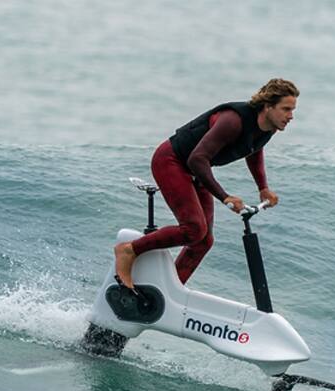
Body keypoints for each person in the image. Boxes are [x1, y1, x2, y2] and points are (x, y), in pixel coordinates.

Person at [114, 78, 299, 289]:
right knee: (193, 229)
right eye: (286, 109)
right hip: (172, 161)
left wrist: (262, 187)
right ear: (267, 106)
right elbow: (197, 159)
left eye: (293, 110)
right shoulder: (233, 120)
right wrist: (225, 197)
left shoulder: (269, 128)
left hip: (196, 171)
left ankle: (166, 289)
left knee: (204, 241)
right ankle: (129, 250)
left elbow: (254, 149)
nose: (291, 116)